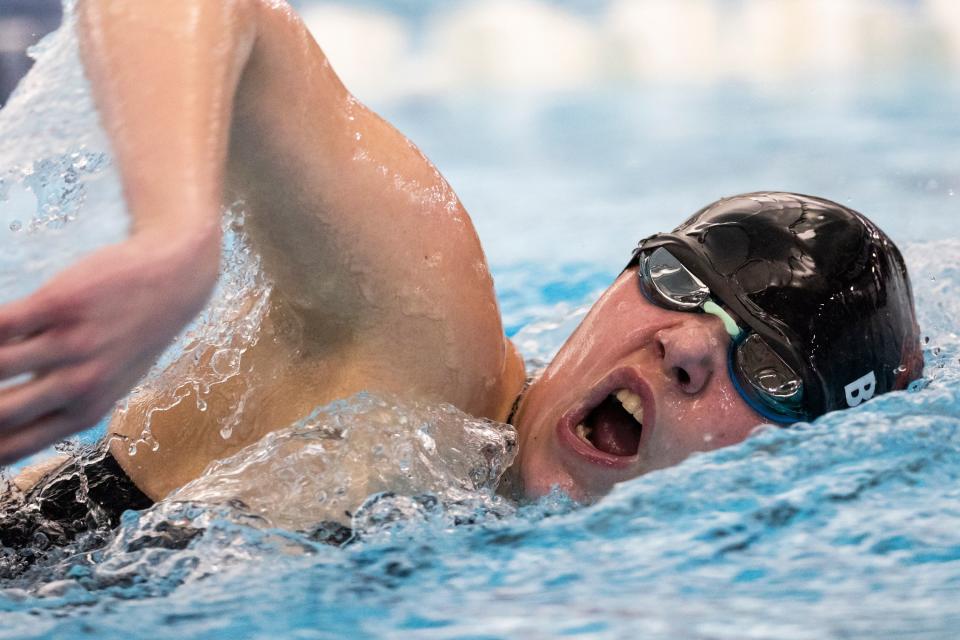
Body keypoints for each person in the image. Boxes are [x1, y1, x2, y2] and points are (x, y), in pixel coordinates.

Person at [0, 0, 922, 537]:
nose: (683, 345)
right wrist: (174, 237)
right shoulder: (418, 344)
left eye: (762, 370)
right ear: (611, 287)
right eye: (679, 282)